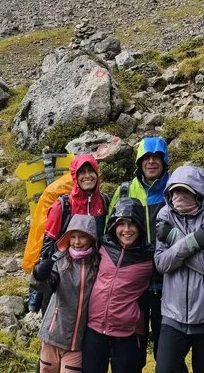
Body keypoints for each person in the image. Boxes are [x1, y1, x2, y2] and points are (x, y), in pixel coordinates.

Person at [153, 164, 204, 373]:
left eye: (185, 190)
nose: (179, 195)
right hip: (172, 316)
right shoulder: (164, 214)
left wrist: (173, 237)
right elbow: (162, 264)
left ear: (197, 193)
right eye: (175, 190)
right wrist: (193, 242)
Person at [109, 135, 172, 359]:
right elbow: (109, 234)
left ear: (165, 161)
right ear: (139, 162)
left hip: (169, 283)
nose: (151, 162)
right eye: (146, 158)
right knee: (132, 352)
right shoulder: (125, 191)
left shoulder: (175, 190)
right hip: (133, 285)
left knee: (166, 356)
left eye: (157, 157)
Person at [82, 197, 155, 373]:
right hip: (94, 329)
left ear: (140, 226)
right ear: (114, 225)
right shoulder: (102, 246)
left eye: (132, 224)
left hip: (127, 335)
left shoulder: (149, 256)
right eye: (121, 224)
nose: (126, 230)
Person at [30, 154, 110, 313]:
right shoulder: (62, 206)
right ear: (75, 176)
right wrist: (39, 289)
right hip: (63, 276)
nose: (87, 176)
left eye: (91, 171)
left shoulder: (104, 201)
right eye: (82, 172)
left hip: (92, 275)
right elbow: (48, 246)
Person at [32, 214, 101, 373]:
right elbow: (41, 287)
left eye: (82, 237)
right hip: (52, 335)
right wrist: (38, 274)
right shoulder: (58, 260)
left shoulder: (98, 264)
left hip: (77, 342)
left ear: (91, 238)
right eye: (73, 237)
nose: (77, 242)